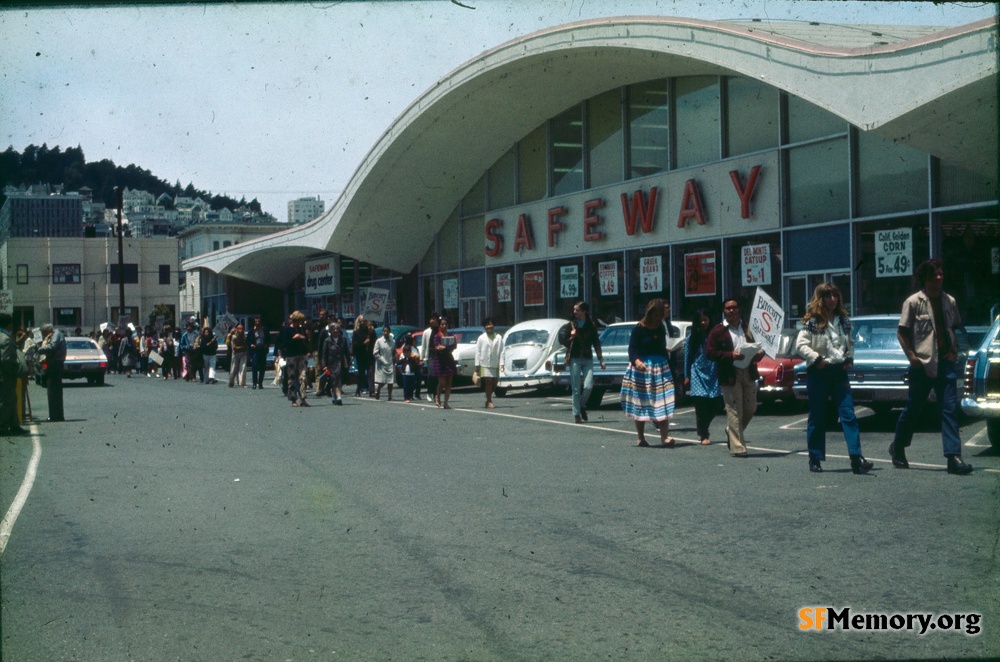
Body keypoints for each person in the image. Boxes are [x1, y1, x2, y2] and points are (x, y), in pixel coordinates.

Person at [890, 259, 972, 475]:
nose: (939, 277)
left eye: (941, 274)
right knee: (913, 409)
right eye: (934, 274)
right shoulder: (913, 302)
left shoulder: (949, 301)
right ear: (925, 278)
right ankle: (898, 447)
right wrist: (912, 356)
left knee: (949, 409)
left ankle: (953, 457)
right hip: (922, 365)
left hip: (945, 363)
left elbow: (955, 327)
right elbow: (902, 332)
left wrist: (954, 351)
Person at [795, 282, 873, 474]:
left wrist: (849, 359)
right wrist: (816, 359)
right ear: (820, 299)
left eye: (835, 296)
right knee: (817, 417)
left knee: (848, 414)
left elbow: (850, 343)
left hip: (839, 373)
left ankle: (857, 457)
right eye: (828, 296)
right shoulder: (812, 321)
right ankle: (815, 458)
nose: (832, 300)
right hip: (820, 372)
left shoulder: (844, 320)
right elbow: (801, 346)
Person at [706, 298, 764, 458]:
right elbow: (709, 352)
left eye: (734, 308)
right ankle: (738, 447)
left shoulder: (748, 328)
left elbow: (759, 346)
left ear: (739, 309)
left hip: (749, 371)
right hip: (730, 374)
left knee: (751, 408)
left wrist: (760, 354)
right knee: (734, 410)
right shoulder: (718, 331)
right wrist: (730, 355)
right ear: (724, 311)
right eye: (728, 308)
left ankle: (730, 431)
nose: (732, 311)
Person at [621, 299, 675, 447]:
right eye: (656, 315)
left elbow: (661, 347)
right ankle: (640, 437)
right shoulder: (639, 328)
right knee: (641, 401)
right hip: (642, 369)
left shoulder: (660, 328)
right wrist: (636, 361)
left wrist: (667, 353)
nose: (658, 318)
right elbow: (632, 350)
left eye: (661, 315)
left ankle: (664, 437)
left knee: (663, 401)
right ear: (650, 313)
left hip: (660, 368)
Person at [559, 302, 606, 423]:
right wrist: (571, 337)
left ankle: (582, 405)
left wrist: (601, 360)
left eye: (577, 310)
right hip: (574, 358)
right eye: (574, 310)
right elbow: (564, 342)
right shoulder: (571, 325)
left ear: (584, 311)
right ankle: (577, 415)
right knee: (575, 389)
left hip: (587, 358)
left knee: (588, 385)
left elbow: (596, 343)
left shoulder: (591, 325)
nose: (575, 312)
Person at [683, 308, 722, 446]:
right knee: (701, 405)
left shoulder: (715, 336)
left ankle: (704, 427)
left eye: (705, 319)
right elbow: (687, 358)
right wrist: (686, 375)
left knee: (717, 403)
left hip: (713, 372)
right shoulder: (691, 339)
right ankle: (703, 433)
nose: (703, 322)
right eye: (700, 321)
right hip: (697, 373)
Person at [0, 313, 28, 435]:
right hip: (5, 375)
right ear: (9, 324)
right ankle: (3, 426)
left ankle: (14, 425)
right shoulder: (5, 338)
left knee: (11, 399)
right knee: (7, 400)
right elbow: (5, 359)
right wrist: (15, 368)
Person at [37, 323, 67, 422]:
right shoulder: (54, 334)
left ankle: (55, 415)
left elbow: (53, 346)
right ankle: (56, 415)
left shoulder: (56, 334)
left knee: (53, 391)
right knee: (54, 391)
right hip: (54, 364)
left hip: (55, 365)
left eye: (44, 333)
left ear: (48, 330)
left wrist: (40, 349)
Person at [475, 318, 503, 409]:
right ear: (484, 326)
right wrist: (477, 365)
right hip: (484, 363)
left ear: (493, 325)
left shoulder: (498, 337)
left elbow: (502, 351)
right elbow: (478, 352)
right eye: (487, 325)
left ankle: (487, 399)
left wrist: (502, 363)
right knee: (488, 381)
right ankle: (490, 401)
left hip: (495, 363)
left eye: (490, 324)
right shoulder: (481, 338)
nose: (489, 326)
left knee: (494, 383)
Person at [284, 311, 311, 407]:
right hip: (292, 355)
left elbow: (306, 340)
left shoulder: (302, 329)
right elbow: (285, 343)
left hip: (302, 355)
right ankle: (293, 399)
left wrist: (304, 337)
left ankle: (303, 398)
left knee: (303, 377)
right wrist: (294, 338)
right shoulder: (287, 330)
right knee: (292, 377)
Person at [320, 322, 349, 405]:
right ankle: (338, 397)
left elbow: (346, 352)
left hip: (341, 363)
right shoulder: (327, 341)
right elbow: (324, 354)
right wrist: (324, 365)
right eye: (333, 329)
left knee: (339, 380)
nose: (335, 331)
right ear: (331, 331)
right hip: (331, 364)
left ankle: (336, 396)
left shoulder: (343, 339)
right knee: (334, 380)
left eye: (337, 329)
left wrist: (348, 362)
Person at [431, 317, 457, 408]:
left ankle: (446, 402)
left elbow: (454, 346)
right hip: (439, 360)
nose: (444, 326)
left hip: (449, 359)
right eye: (442, 324)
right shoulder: (437, 336)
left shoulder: (451, 335)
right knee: (442, 382)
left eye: (446, 324)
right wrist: (446, 347)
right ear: (439, 325)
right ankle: (437, 395)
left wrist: (445, 347)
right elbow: (437, 347)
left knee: (449, 382)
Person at [419, 313, 440, 402]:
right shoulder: (426, 332)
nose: (432, 321)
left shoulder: (440, 330)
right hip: (430, 355)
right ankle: (429, 392)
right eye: (431, 319)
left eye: (434, 319)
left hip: (439, 354)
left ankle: (436, 394)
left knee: (438, 375)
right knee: (431, 374)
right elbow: (423, 346)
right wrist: (421, 358)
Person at [372, 325, 396, 400]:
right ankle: (377, 391)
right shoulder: (379, 341)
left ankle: (390, 395)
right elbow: (375, 353)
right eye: (384, 331)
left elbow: (394, 351)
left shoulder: (392, 341)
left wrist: (395, 357)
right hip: (381, 363)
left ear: (389, 332)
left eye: (387, 331)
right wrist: (381, 360)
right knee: (381, 381)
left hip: (390, 362)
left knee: (390, 381)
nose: (385, 333)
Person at [352, 315, 374, 397]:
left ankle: (371, 390)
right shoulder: (356, 332)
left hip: (369, 355)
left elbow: (374, 342)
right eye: (361, 321)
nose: (362, 322)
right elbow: (355, 344)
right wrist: (363, 343)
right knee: (361, 373)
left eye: (364, 320)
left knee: (370, 372)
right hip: (360, 355)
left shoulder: (370, 331)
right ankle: (359, 389)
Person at [397, 334, 421, 403]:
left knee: (413, 384)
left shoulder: (415, 348)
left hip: (413, 370)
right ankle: (406, 397)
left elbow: (417, 359)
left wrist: (418, 361)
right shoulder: (405, 347)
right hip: (405, 373)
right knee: (406, 386)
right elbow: (399, 361)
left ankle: (413, 395)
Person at [248, 316, 269, 390]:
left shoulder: (265, 330)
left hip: (262, 349)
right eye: (256, 321)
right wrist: (251, 345)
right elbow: (248, 341)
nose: (257, 323)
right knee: (254, 366)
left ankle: (260, 383)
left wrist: (266, 345)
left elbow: (268, 339)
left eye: (258, 321)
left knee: (262, 367)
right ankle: (254, 383)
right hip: (255, 350)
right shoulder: (251, 331)